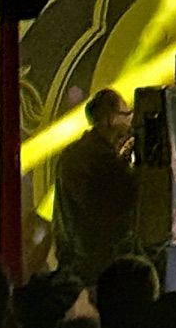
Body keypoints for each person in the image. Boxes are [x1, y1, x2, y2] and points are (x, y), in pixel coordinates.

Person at [52, 90, 138, 288]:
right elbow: (124, 201)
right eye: (126, 114)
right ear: (111, 119)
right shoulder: (100, 158)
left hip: (76, 262)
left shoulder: (75, 152)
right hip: (99, 266)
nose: (130, 121)